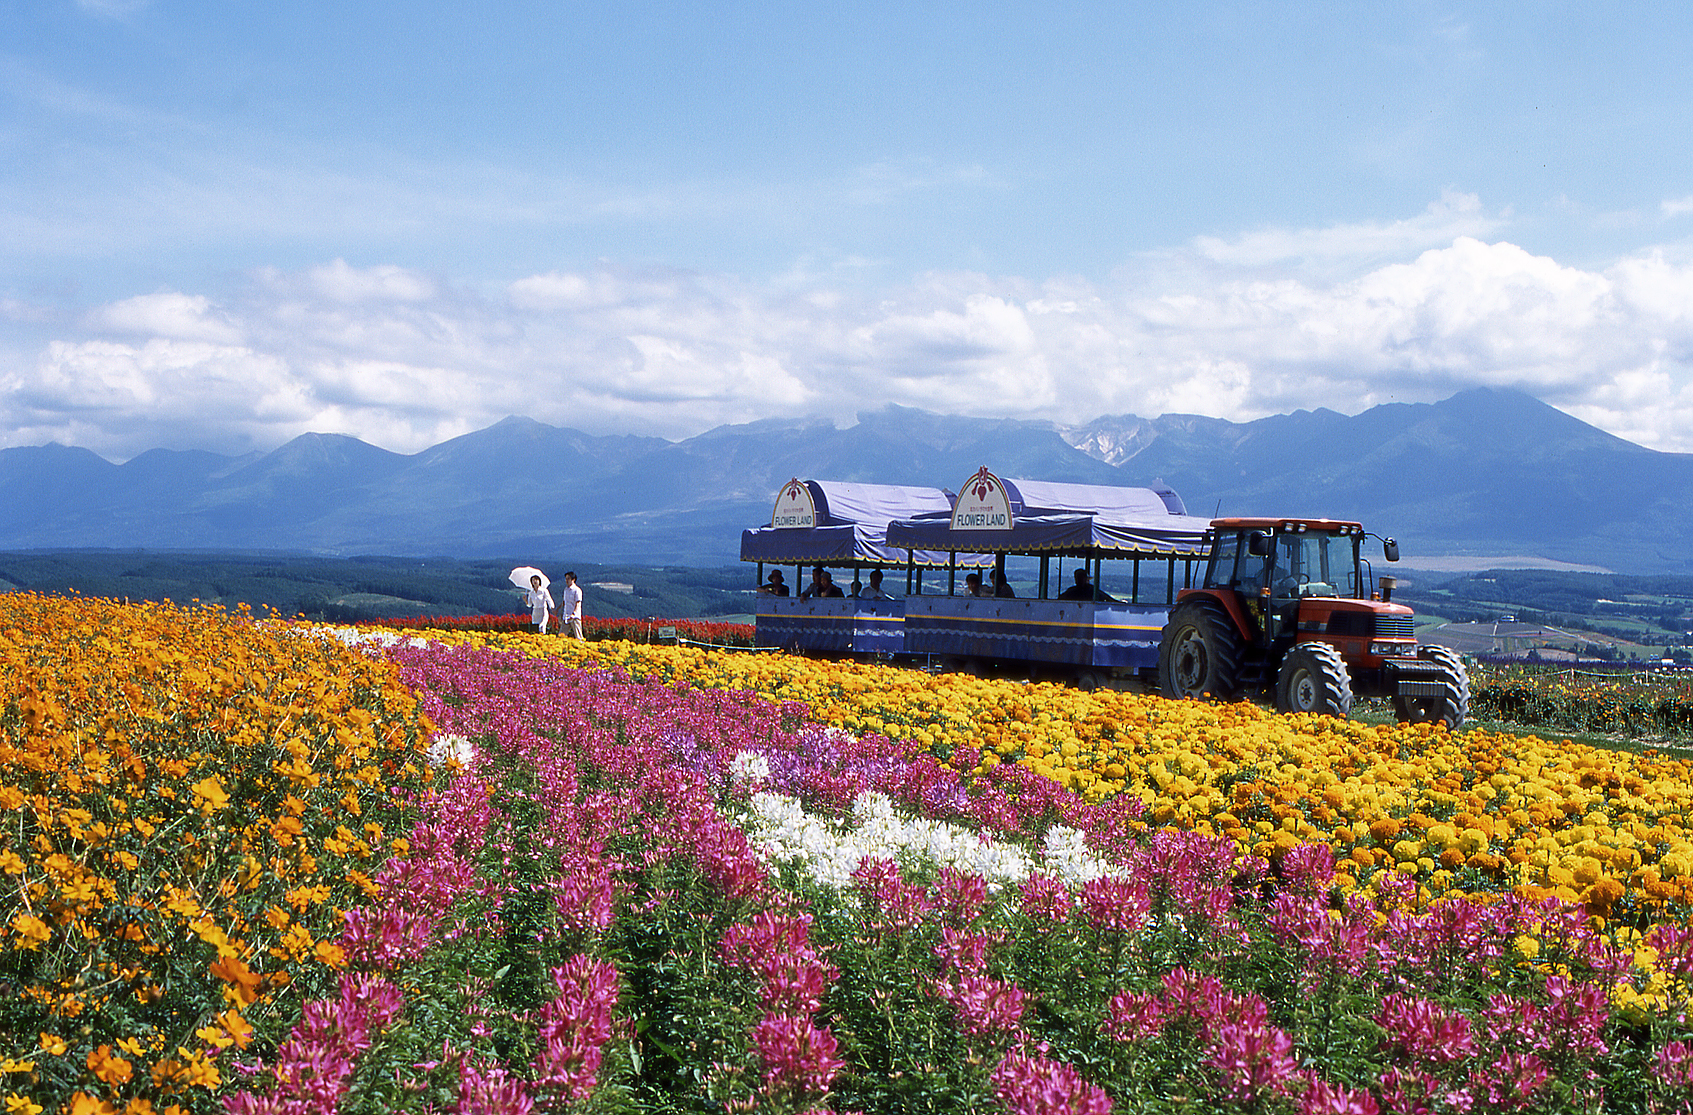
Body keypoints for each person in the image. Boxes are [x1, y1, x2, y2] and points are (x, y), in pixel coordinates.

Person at [559, 571, 584, 640]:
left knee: (578, 636)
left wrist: (574, 613)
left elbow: (578, 603)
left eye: (568, 579)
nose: (566, 580)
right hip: (566, 616)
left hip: (574, 617)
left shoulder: (577, 590)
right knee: (561, 636)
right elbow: (564, 602)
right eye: (566, 579)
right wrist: (558, 610)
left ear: (573, 579)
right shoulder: (566, 590)